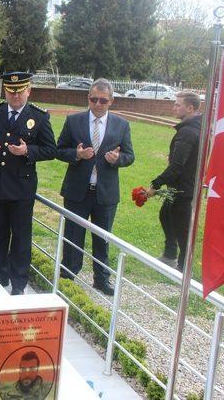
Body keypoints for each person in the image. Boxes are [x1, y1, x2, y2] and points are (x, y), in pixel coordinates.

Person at [0, 72, 56, 295]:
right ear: (5, 91)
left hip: (22, 190)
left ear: (28, 91)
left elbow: (51, 149)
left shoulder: (38, 116)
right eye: (11, 91)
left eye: (20, 91)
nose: (16, 95)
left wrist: (27, 150)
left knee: (21, 238)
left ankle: (19, 284)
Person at [56, 78, 135, 296]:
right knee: (73, 235)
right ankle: (68, 274)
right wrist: (76, 154)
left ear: (111, 101)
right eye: (93, 99)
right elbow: (59, 149)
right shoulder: (74, 121)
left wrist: (117, 159)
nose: (97, 104)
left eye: (102, 100)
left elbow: (130, 156)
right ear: (88, 98)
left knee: (103, 238)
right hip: (77, 191)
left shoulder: (121, 125)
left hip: (105, 194)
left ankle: (101, 279)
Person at [146, 91, 202, 272]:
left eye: (178, 104)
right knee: (166, 215)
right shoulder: (190, 128)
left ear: (190, 108)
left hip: (184, 189)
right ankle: (170, 254)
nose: (174, 107)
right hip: (177, 187)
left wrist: (155, 184)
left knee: (182, 228)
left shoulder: (188, 132)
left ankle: (184, 270)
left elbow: (177, 166)